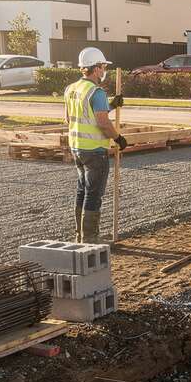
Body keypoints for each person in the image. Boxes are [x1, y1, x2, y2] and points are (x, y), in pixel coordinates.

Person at [66, 47, 127, 243]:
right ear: (96, 68)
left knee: (82, 190)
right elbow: (102, 123)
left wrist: (111, 105)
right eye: (102, 67)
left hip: (77, 148)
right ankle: (90, 239)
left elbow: (71, 118)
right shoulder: (96, 91)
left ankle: (80, 235)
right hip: (94, 150)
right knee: (93, 194)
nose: (103, 71)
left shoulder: (72, 89)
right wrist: (118, 138)